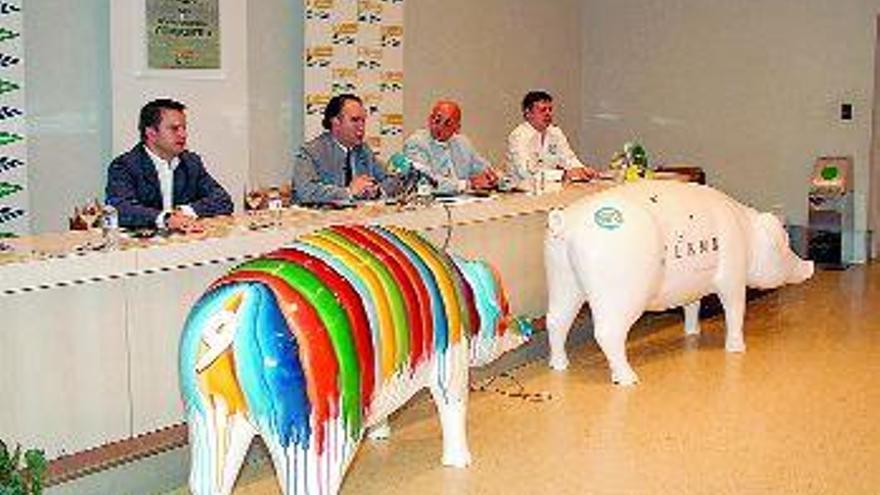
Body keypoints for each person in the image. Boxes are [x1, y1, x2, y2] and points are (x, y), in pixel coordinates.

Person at [105, 98, 233, 232]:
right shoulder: (125, 165)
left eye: (184, 128)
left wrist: (185, 211)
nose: (183, 134)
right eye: (174, 129)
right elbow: (120, 209)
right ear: (151, 133)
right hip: (142, 247)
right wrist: (166, 219)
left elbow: (223, 200)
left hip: (184, 243)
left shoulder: (191, 162)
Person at [292, 93, 397, 205]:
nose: (361, 127)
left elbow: (390, 180)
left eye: (363, 121)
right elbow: (304, 191)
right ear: (336, 122)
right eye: (355, 120)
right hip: (324, 219)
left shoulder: (364, 151)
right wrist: (348, 192)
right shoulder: (311, 152)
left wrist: (377, 191)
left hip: (359, 218)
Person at [401, 100, 498, 195]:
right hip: (432, 204)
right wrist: (467, 184)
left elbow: (483, 168)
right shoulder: (416, 143)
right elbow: (426, 181)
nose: (440, 127)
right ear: (430, 119)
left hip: (463, 202)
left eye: (447, 124)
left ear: (457, 127)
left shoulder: (463, 143)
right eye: (437, 120)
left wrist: (492, 178)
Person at [507, 90, 596, 183]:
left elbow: (568, 158)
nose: (548, 114)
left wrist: (582, 170)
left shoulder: (555, 132)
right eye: (542, 110)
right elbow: (526, 172)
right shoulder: (518, 136)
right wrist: (563, 175)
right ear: (528, 113)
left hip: (550, 188)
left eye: (550, 109)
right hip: (521, 191)